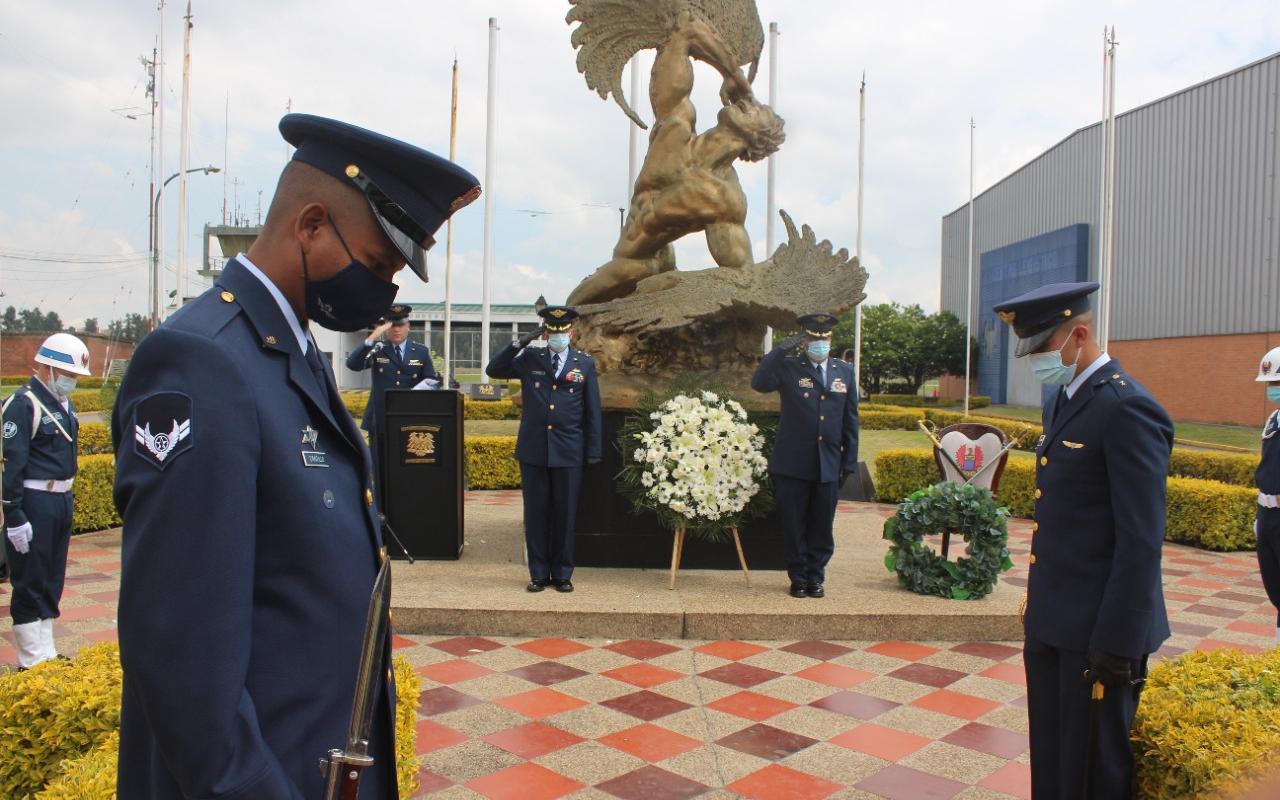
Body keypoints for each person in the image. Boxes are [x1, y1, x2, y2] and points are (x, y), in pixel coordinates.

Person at [111, 113, 479, 799]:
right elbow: (182, 653)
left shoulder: (289, 351)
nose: (384, 291)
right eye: (375, 265)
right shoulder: (204, 361)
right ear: (310, 225)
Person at [993, 281, 1173, 799]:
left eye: (1044, 349)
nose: (1037, 362)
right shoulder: (1065, 399)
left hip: (1099, 631)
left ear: (1079, 335)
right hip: (1054, 620)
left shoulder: (1126, 409)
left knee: (1092, 771)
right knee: (1053, 760)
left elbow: (1140, 540)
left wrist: (1118, 640)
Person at [566, 13, 784, 306]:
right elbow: (685, 27)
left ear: (758, 138)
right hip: (634, 261)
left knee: (571, 311)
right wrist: (735, 76)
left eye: (759, 110)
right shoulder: (676, 127)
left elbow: (741, 279)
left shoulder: (724, 198)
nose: (750, 102)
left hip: (639, 266)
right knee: (566, 315)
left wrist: (677, 285)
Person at [485, 306, 601, 592]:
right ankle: (538, 573)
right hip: (534, 449)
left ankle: (562, 573)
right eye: (552, 332)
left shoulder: (583, 363)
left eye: (563, 333)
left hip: (568, 450)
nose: (558, 337)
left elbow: (592, 411)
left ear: (572, 333)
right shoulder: (530, 358)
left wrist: (593, 449)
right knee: (535, 514)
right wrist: (520, 342)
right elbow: (494, 369)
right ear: (546, 332)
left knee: (565, 514)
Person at [751, 313, 859, 599]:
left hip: (828, 464)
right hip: (793, 463)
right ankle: (798, 577)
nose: (819, 344)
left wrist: (849, 461)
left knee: (822, 525)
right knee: (794, 523)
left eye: (823, 339)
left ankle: (816, 576)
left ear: (831, 340)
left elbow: (851, 421)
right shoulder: (789, 368)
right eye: (813, 339)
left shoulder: (844, 372)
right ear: (804, 340)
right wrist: (779, 350)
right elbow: (759, 382)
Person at [2, 333, 89, 669]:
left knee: (52, 577)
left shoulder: (64, 406)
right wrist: (14, 514)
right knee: (30, 579)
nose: (72, 382)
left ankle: (46, 652)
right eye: (69, 375)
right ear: (47, 367)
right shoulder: (24, 404)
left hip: (60, 500)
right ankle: (29, 659)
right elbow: (12, 465)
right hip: (34, 502)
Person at [346, 303, 439, 479]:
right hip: (379, 420)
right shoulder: (378, 349)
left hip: (409, 419)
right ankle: (380, 507)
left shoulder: (420, 352)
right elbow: (353, 364)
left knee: (406, 470)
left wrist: (414, 392)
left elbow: (432, 381)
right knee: (380, 472)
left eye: (401, 325)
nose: (397, 329)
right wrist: (373, 336)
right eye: (392, 325)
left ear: (408, 326)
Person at [1254, 346, 1280, 645]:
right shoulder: (1273, 420)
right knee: (1275, 590)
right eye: (1271, 384)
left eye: (1277, 384)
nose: (1272, 390)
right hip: (1268, 514)